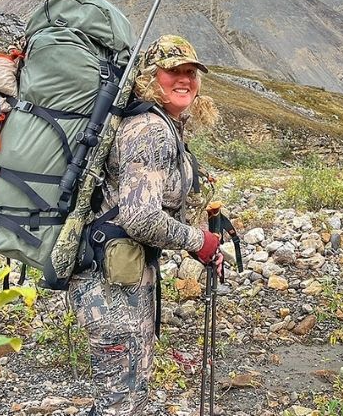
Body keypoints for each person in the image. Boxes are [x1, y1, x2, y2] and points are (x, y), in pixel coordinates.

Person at [68, 35, 221, 415]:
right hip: (110, 287)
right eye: (173, 72)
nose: (185, 79)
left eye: (191, 72)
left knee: (124, 398)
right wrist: (196, 241)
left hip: (121, 277)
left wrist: (201, 235)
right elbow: (140, 217)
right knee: (121, 403)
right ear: (152, 77)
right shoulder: (149, 130)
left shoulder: (160, 123)